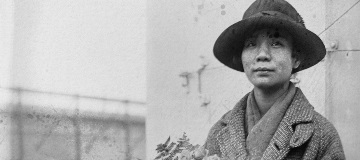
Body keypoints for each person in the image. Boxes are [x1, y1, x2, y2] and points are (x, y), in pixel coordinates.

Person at [203, 0, 345, 159]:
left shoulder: (322, 136)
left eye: (276, 43)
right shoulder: (220, 132)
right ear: (242, 57)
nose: (262, 55)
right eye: (251, 44)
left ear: (295, 58)